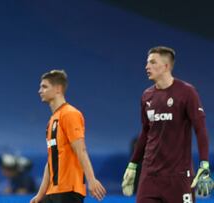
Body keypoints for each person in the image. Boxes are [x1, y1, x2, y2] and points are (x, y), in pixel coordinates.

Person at [122, 46, 213, 203]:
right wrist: (133, 164)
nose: (147, 67)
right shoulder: (146, 96)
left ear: (166, 66)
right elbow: (145, 132)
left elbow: (200, 129)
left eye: (152, 62)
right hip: (149, 177)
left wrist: (204, 164)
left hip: (178, 178)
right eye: (147, 63)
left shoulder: (187, 92)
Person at [30, 70, 106, 203]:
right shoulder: (52, 121)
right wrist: (40, 194)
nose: (39, 91)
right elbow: (51, 161)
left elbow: (80, 149)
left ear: (58, 89)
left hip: (68, 191)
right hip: (53, 192)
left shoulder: (70, 114)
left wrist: (91, 180)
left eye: (44, 86)